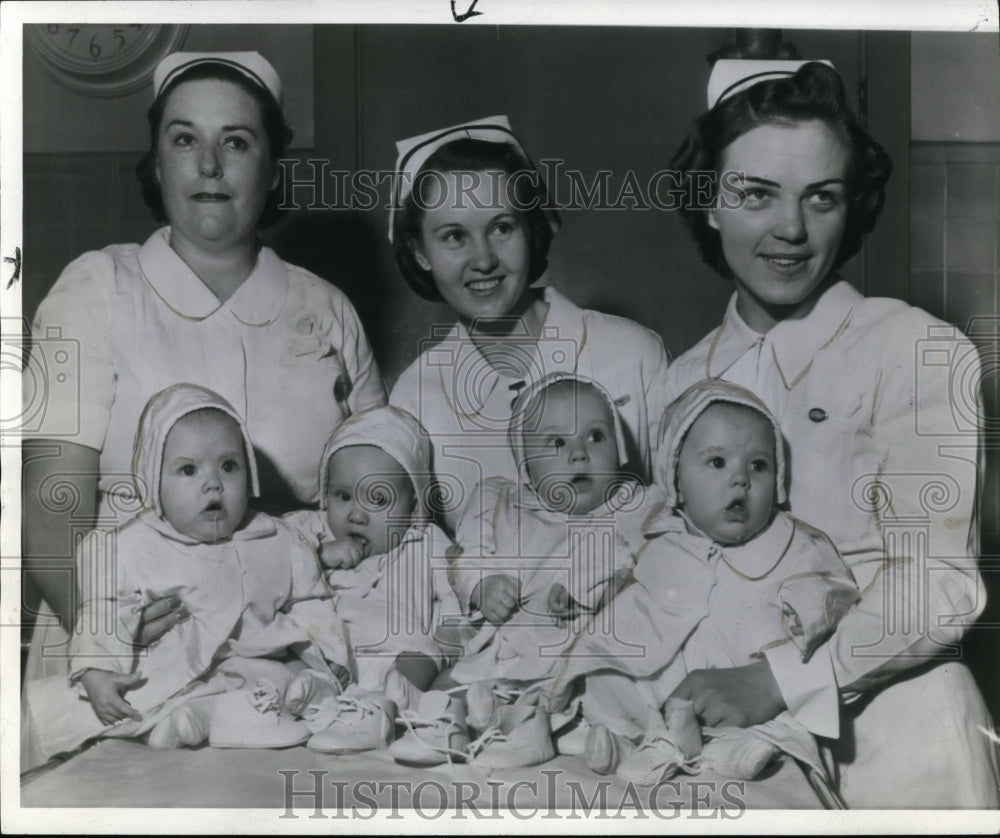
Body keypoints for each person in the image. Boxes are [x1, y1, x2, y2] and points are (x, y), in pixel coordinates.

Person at [663, 59, 999, 807]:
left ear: (852, 208)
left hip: (901, 742)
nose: (790, 229)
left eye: (821, 197)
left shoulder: (916, 348)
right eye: (755, 194)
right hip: (725, 750)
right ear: (709, 205)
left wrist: (776, 680)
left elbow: (940, 585)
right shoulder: (680, 382)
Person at [22, 51, 385, 686]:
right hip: (125, 635)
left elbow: (383, 493)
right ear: (158, 162)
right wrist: (102, 633)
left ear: (272, 171)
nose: (209, 165)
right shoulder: (98, 287)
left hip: (298, 636)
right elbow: (53, 502)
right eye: (184, 138)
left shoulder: (325, 307)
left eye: (237, 143)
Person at [545, 380, 857, 799]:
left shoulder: (794, 541)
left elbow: (835, 585)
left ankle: (729, 753)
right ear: (676, 478)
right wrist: (590, 590)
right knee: (609, 678)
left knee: (781, 725)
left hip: (736, 692)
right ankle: (620, 739)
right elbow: (616, 564)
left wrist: (806, 609)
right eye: (717, 463)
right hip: (656, 679)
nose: (740, 481)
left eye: (758, 466)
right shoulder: (656, 531)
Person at [24, 385, 350, 762]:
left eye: (229, 466)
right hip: (170, 667)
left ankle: (207, 719)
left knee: (291, 684)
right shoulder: (131, 547)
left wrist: (330, 652)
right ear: (154, 481)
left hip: (255, 666)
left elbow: (312, 600)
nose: (213, 483)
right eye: (188, 470)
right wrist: (97, 672)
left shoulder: (279, 540)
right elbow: (102, 614)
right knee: (90, 709)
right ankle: (188, 720)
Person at [388, 116, 671, 533]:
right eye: (454, 236)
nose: (483, 259)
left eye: (502, 227)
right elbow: (415, 551)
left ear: (531, 228)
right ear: (420, 251)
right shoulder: (414, 397)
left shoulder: (634, 351)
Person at [386, 374, 645, 771]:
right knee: (455, 679)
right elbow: (465, 557)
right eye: (557, 443)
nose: (579, 455)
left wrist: (607, 590)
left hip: (583, 644)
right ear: (526, 466)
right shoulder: (500, 502)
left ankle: (535, 724)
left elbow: (653, 566)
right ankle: (446, 720)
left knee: (611, 688)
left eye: (596, 437)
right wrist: (484, 585)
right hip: (509, 636)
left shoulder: (630, 508)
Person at [281, 406, 465, 754]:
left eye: (377, 499)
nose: (356, 514)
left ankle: (396, 698)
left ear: (413, 505)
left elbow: (455, 584)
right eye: (343, 496)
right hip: (329, 652)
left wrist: (452, 628)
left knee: (422, 654)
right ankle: (319, 694)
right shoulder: (312, 533)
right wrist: (318, 556)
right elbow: (269, 563)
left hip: (398, 646)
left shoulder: (424, 540)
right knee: (291, 648)